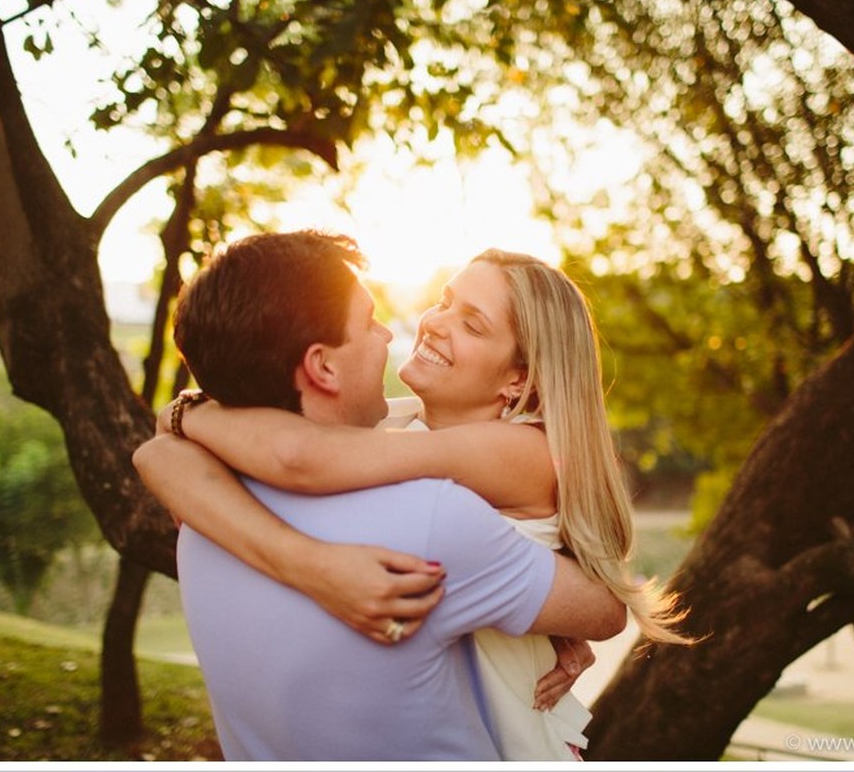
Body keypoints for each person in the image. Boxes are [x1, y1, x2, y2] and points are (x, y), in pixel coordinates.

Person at [142, 238, 692, 760]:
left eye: (471, 323)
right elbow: (163, 457)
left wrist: (188, 413)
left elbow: (302, 455)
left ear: (518, 380)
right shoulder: (409, 430)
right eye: (445, 302)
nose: (429, 323)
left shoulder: (518, 453)